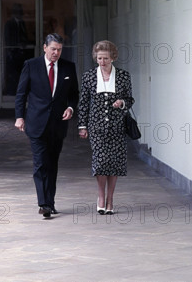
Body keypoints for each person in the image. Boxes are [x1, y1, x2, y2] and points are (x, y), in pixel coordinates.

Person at [15, 33, 79, 218]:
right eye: (53, 49)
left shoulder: (68, 67)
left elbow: (74, 94)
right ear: (44, 48)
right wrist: (20, 117)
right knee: (40, 163)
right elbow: (21, 94)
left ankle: (50, 203)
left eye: (59, 50)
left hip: (58, 125)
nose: (56, 53)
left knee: (52, 164)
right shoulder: (31, 65)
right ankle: (43, 204)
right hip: (36, 123)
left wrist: (70, 108)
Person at [78, 40, 134, 214]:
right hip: (96, 126)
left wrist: (122, 102)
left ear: (113, 58)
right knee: (101, 161)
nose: (102, 62)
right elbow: (83, 102)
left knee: (115, 162)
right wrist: (82, 126)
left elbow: (130, 99)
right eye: (99, 58)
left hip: (117, 126)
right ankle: (101, 196)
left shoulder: (123, 76)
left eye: (105, 58)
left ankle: (111, 198)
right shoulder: (88, 76)